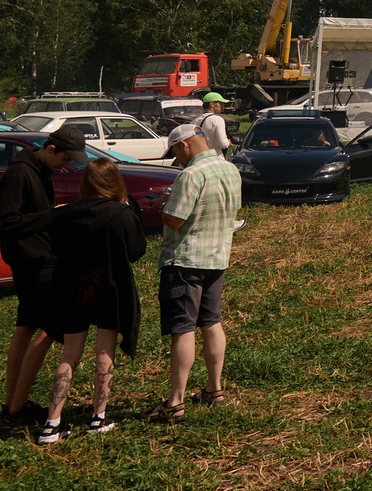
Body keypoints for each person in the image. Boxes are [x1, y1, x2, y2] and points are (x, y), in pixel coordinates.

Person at [36, 160, 145, 444]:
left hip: (72, 288)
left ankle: (52, 423)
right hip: (110, 287)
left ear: (86, 183)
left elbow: (52, 245)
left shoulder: (65, 214)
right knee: (104, 350)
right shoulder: (122, 213)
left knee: (69, 354)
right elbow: (136, 251)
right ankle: (98, 417)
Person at [0, 123, 88, 429]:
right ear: (50, 149)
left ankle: (12, 404)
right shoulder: (20, 173)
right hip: (30, 261)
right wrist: (53, 215)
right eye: (64, 159)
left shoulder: (40, 170)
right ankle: (15, 410)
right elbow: (3, 221)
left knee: (27, 326)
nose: (66, 166)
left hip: (37, 257)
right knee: (48, 328)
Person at [153, 122, 242, 423]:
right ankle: (213, 389)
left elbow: (175, 220)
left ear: (185, 145)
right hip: (217, 258)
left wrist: (161, 208)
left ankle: (175, 402)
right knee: (212, 322)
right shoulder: (230, 169)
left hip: (186, 261)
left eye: (176, 153)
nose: (177, 160)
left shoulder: (191, 175)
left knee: (183, 328)